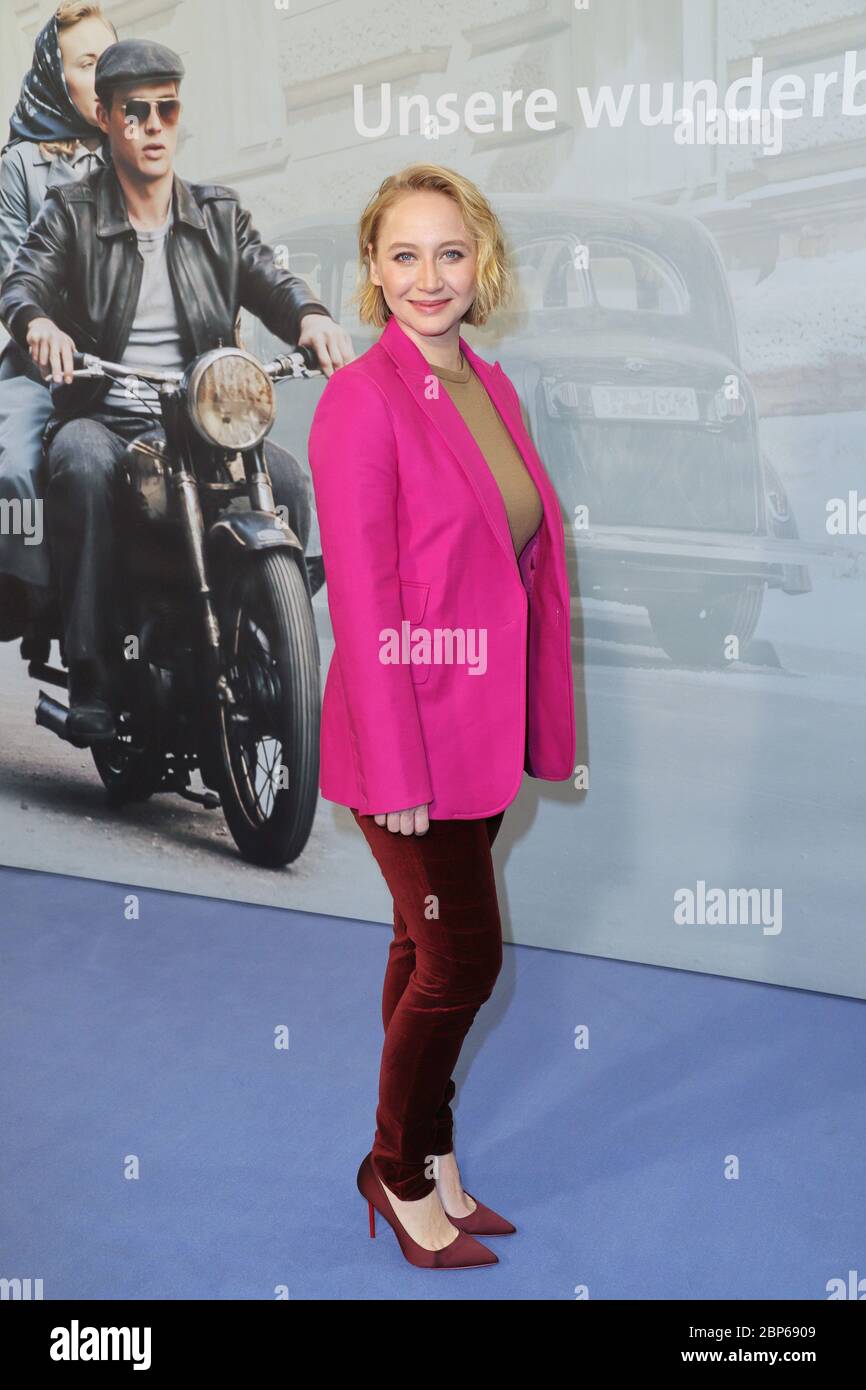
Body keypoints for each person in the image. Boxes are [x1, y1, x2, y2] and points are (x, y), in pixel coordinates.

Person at [307, 164, 575, 1269]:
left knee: (422, 944)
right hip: (405, 741)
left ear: (482, 264)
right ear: (371, 270)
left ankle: (434, 1153)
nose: (429, 277)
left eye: (449, 253)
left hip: (477, 728)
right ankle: (397, 1165)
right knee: (460, 960)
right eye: (403, 255)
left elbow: (515, 553)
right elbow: (365, 608)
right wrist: (399, 770)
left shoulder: (486, 383)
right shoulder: (357, 401)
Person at [0, 38, 354, 743]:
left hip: (198, 419)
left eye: (167, 108)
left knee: (287, 481)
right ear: (104, 118)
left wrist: (311, 315)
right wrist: (39, 324)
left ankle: (259, 631)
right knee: (83, 467)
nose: (154, 125)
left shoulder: (216, 216)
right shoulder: (70, 213)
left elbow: (267, 277)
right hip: (103, 410)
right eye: (136, 112)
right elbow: (23, 280)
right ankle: (95, 672)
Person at [0, 1, 116, 609]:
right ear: (54, 74)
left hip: (131, 365)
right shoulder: (19, 166)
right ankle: (38, 598)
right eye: (89, 63)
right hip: (41, 367)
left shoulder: (135, 158)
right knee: (15, 467)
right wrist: (44, 326)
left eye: (111, 60)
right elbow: (15, 275)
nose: (106, 76)